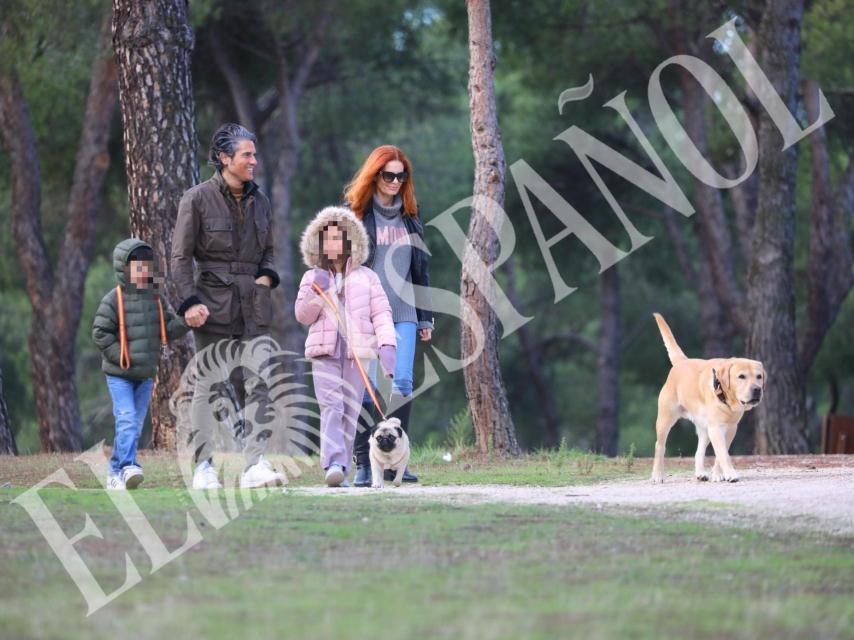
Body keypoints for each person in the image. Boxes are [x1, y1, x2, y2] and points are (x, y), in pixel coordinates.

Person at [171, 123, 285, 490]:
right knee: (209, 385)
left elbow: (269, 250)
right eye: (246, 155)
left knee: (260, 384)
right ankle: (203, 467)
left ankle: (255, 464)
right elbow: (179, 257)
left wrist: (266, 279)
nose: (254, 160)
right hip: (212, 305)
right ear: (224, 159)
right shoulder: (196, 199)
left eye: (253, 154)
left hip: (254, 306)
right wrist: (189, 301)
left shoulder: (261, 200)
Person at [343, 145, 434, 487]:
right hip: (364, 313)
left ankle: (397, 462)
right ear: (375, 175)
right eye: (389, 175)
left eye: (401, 175)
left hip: (404, 310)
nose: (395, 181)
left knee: (403, 383)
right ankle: (366, 464)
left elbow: (420, 268)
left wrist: (425, 317)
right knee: (366, 387)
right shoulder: (354, 212)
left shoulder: (411, 214)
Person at [295, 206, 397, 487]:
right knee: (332, 406)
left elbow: (382, 313)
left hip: (358, 357)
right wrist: (318, 290)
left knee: (350, 410)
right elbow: (303, 316)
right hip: (324, 353)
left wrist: (387, 346)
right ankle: (334, 463)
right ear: (319, 243)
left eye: (338, 238)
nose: (332, 244)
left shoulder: (368, 278)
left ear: (350, 240)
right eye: (326, 238)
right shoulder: (311, 277)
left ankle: (342, 466)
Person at [92, 239, 190, 490]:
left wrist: (187, 321)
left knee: (133, 425)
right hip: (119, 375)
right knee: (125, 419)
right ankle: (128, 467)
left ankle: (115, 471)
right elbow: (100, 332)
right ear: (123, 269)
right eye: (137, 267)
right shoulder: (113, 299)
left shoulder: (155, 297)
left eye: (146, 267)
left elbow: (167, 328)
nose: (143, 271)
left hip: (145, 375)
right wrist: (120, 356)